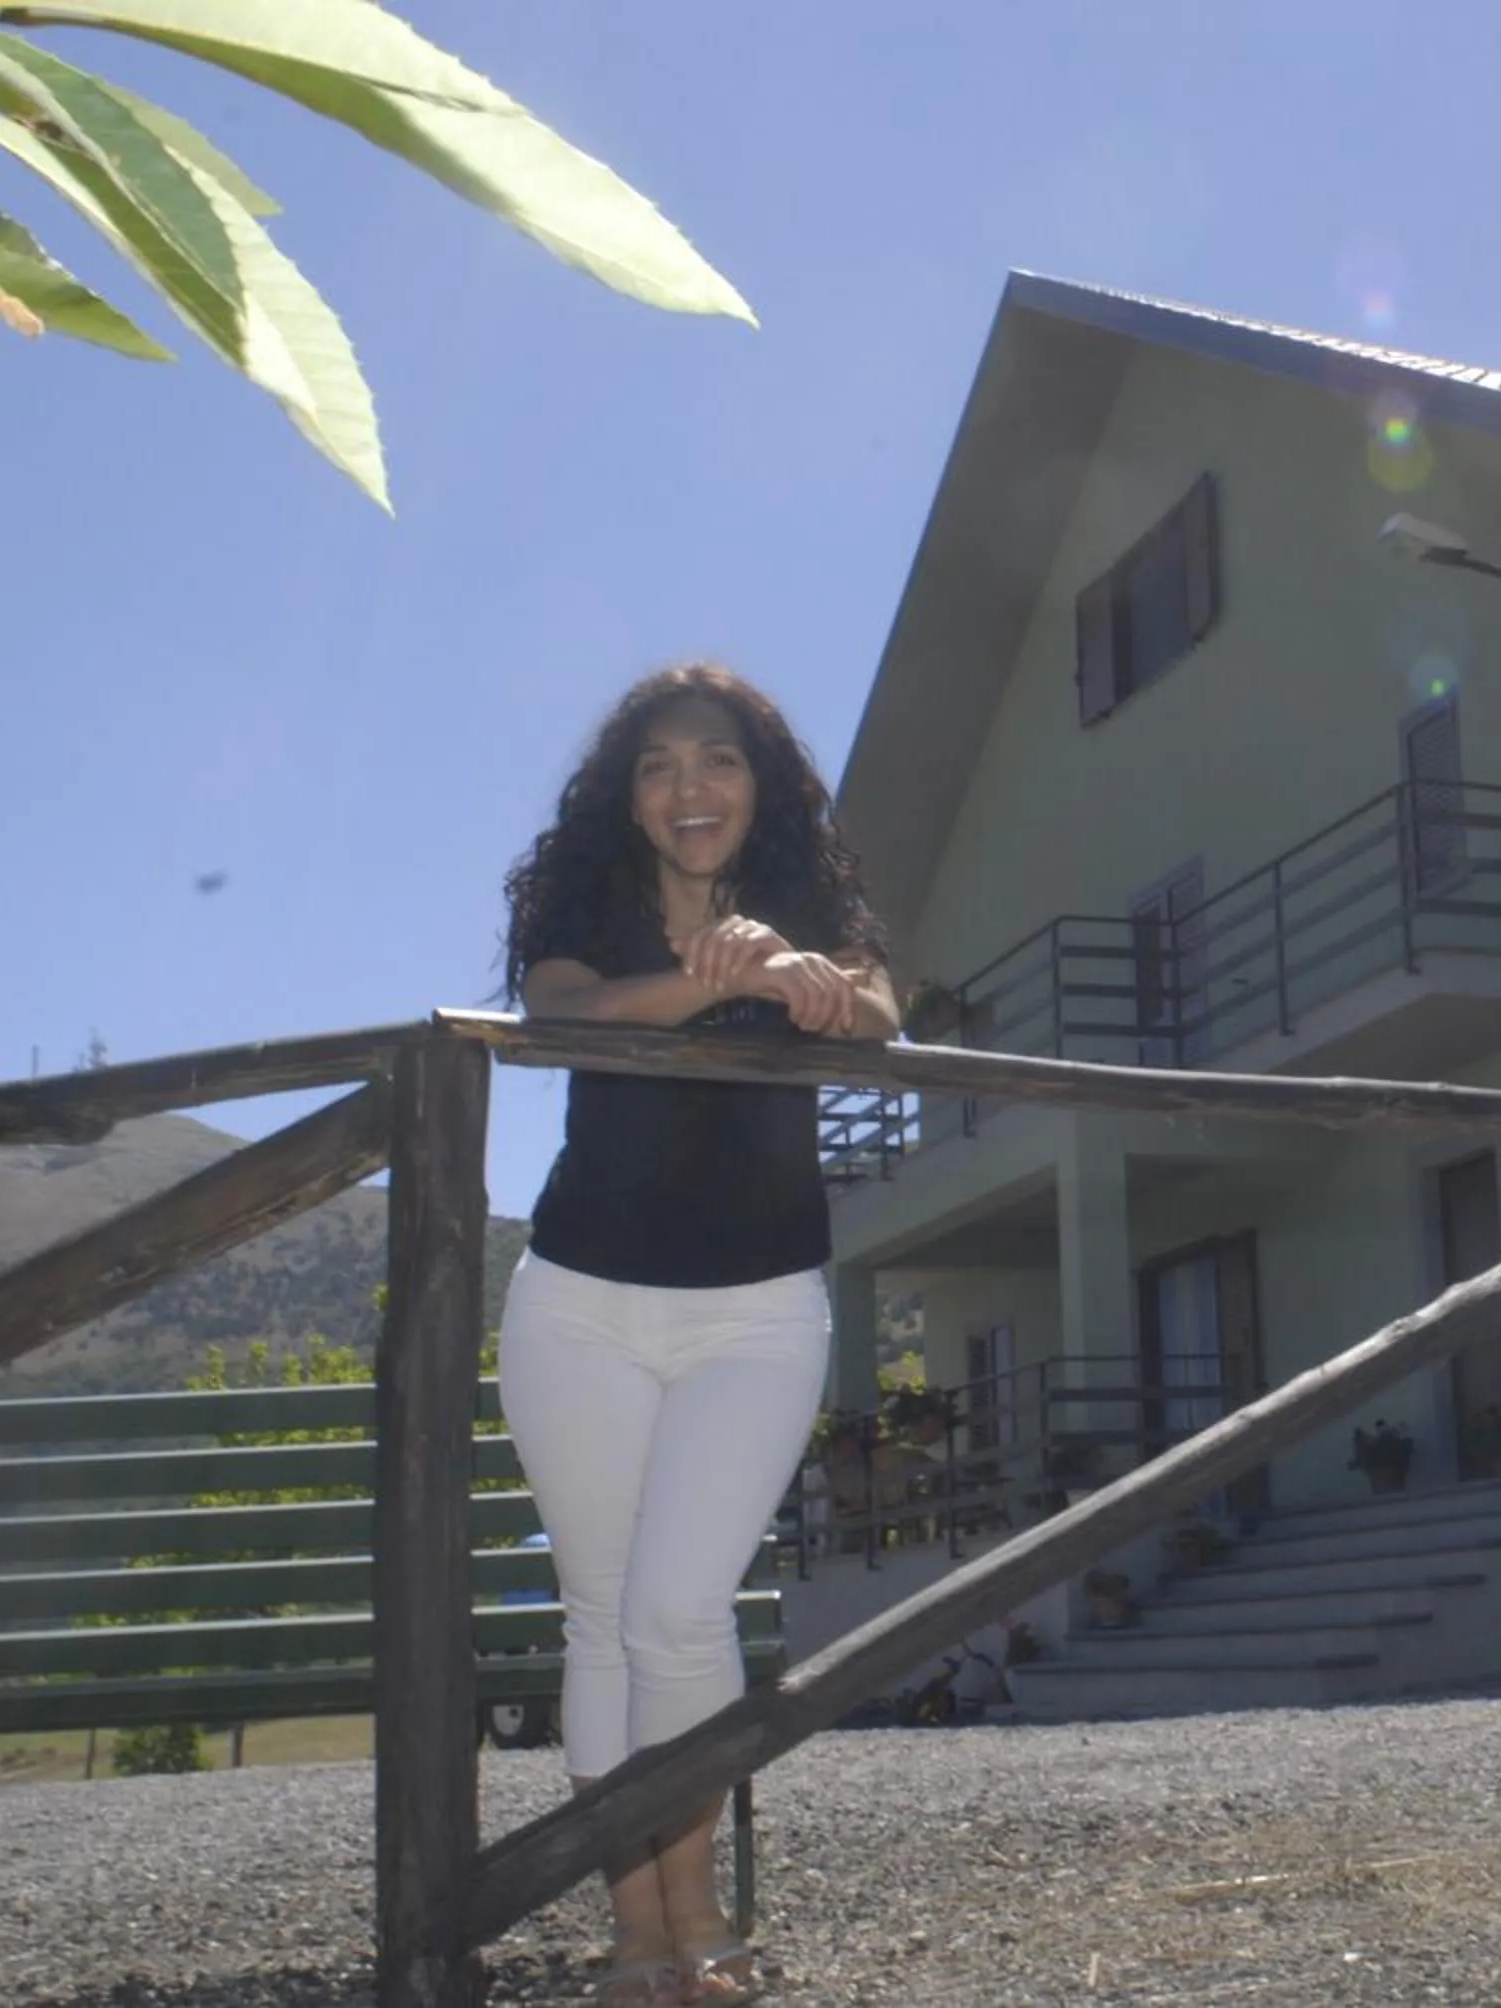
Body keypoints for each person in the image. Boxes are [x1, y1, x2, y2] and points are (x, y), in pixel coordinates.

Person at [497, 663, 896, 2006]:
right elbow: (565, 1016)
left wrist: (791, 968)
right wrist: (716, 979)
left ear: (759, 780)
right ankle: (643, 1933)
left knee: (678, 1609)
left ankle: (697, 1907)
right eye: (660, 763)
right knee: (604, 1618)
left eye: (716, 758)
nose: (689, 787)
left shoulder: (811, 913)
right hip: (582, 1307)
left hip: (758, 1312)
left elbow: (883, 1013)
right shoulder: (584, 907)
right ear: (628, 790)